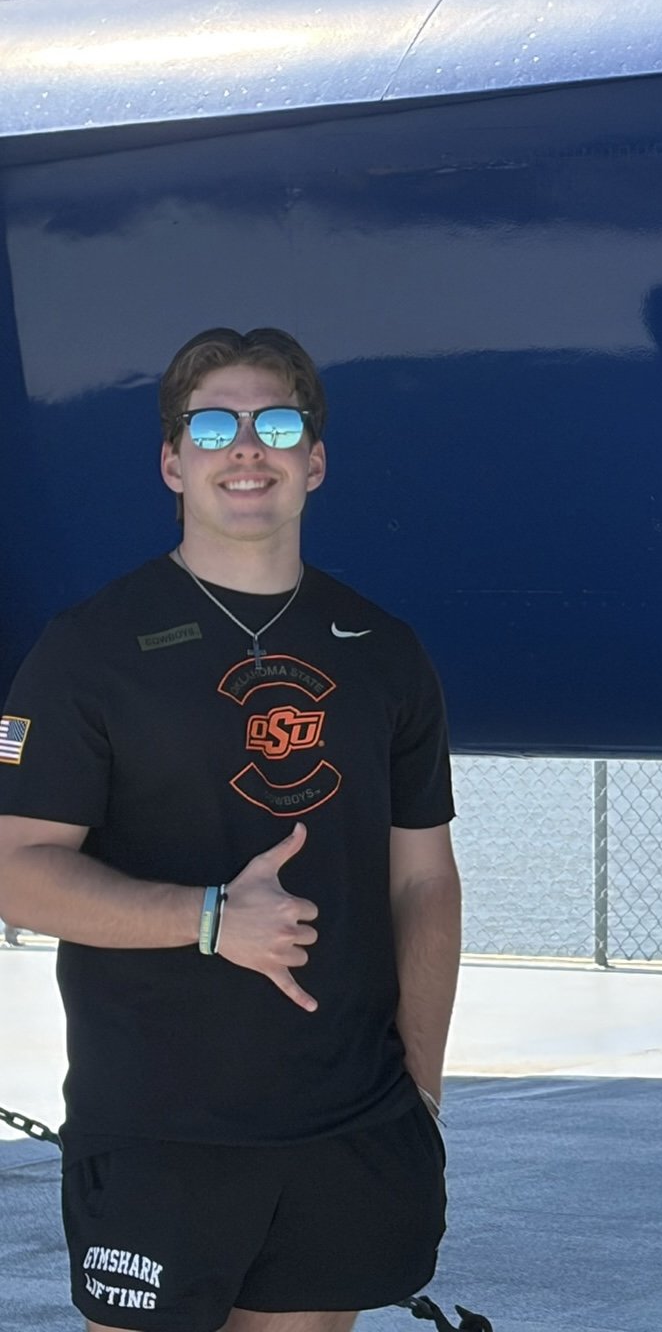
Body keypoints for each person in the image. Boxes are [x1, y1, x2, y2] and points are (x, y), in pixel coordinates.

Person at [0, 327, 461, 1332]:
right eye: (215, 425)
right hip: (160, 1129)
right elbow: (17, 873)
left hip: (346, 1124)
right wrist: (211, 917)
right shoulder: (89, 650)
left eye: (277, 424)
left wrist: (420, 1087)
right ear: (175, 461)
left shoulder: (385, 652)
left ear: (315, 461)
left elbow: (423, 882)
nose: (246, 446)